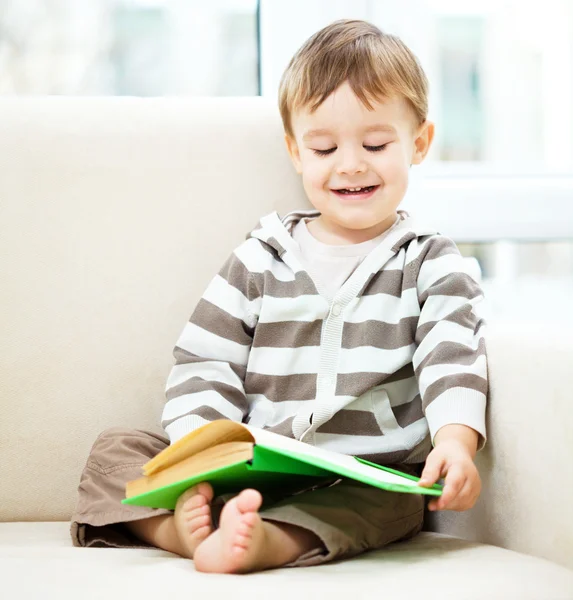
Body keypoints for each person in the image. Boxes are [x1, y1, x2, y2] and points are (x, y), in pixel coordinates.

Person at [71, 19, 488, 574]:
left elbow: (453, 353)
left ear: (419, 143)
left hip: (360, 472)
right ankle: (176, 527)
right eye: (323, 147)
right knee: (114, 450)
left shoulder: (429, 261)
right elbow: (204, 358)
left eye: (376, 143)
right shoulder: (260, 257)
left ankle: (264, 541)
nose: (351, 163)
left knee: (398, 503)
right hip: (253, 464)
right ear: (295, 152)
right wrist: (202, 452)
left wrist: (456, 443)